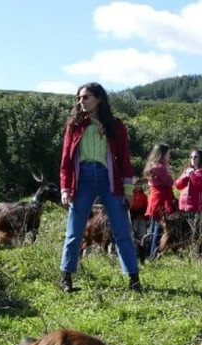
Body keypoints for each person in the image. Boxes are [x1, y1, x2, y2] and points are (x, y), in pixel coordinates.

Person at [58, 82, 140, 293]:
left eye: (86, 97)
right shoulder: (74, 125)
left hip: (108, 179)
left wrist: (128, 190)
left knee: (121, 231)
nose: (81, 102)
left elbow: (124, 160)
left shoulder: (115, 125)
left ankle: (134, 280)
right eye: (79, 98)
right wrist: (65, 188)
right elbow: (66, 159)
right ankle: (66, 278)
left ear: (99, 99)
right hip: (82, 179)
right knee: (74, 231)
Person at [143, 143, 177, 259]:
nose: (169, 155)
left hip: (156, 199)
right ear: (162, 154)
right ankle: (153, 254)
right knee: (159, 228)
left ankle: (149, 253)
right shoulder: (160, 167)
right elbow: (170, 182)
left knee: (153, 228)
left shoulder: (153, 166)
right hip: (161, 200)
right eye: (168, 153)